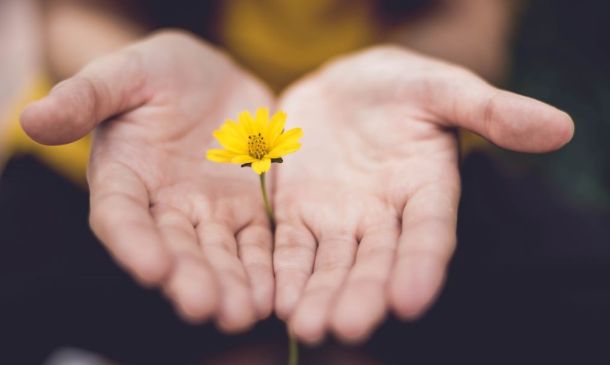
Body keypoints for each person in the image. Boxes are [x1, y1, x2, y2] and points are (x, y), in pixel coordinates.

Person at [4, 0, 579, 355]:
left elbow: (469, 22)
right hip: (140, 160)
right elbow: (74, 11)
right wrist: (125, 70)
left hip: (388, 162)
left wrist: (408, 74)